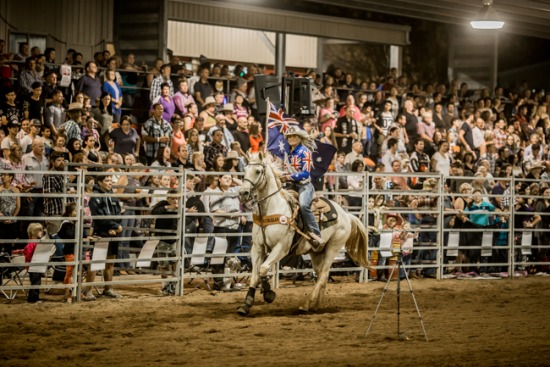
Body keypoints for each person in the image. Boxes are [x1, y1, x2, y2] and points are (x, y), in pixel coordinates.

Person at [280, 126, 326, 249]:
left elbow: (305, 172)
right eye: (289, 136)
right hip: (289, 186)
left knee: (304, 205)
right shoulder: (287, 154)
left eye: (294, 136)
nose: (291, 138)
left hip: (304, 185)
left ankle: (316, 234)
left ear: (300, 138)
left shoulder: (304, 151)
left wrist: (288, 177)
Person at [88, 174, 123, 298]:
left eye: (110, 180)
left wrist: (115, 228)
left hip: (112, 232)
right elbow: (99, 217)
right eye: (107, 180)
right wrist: (113, 226)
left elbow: (119, 213)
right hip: (101, 232)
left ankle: (108, 289)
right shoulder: (95, 197)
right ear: (99, 182)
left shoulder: (112, 196)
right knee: (96, 262)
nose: (110, 183)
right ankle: (87, 291)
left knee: (110, 262)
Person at [24, 223, 45, 303]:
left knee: (37, 281)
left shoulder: (37, 242)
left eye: (41, 230)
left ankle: (35, 298)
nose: (41, 232)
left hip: (37, 264)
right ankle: (32, 299)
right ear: (33, 232)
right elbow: (28, 254)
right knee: (35, 281)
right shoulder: (32, 243)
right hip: (33, 265)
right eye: (39, 231)